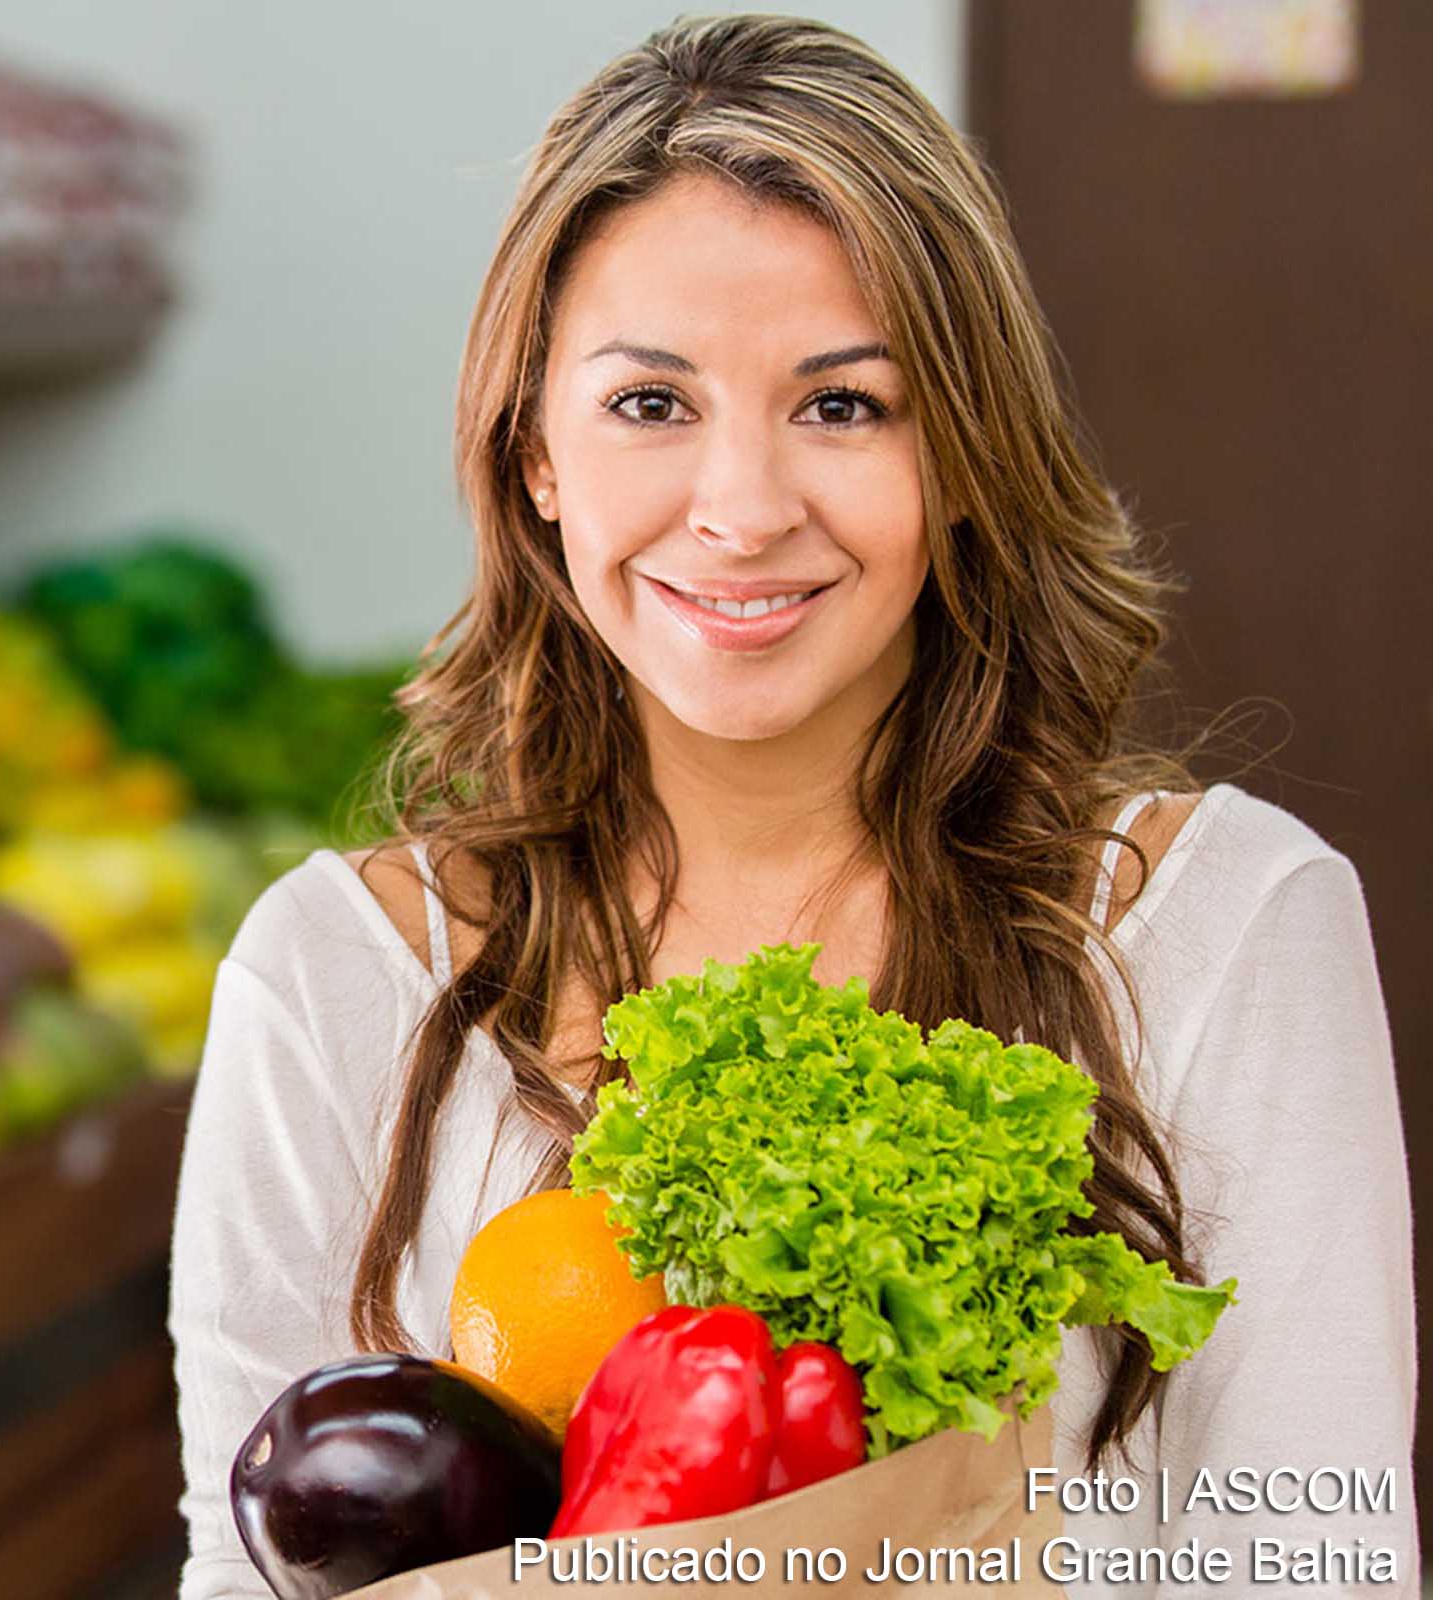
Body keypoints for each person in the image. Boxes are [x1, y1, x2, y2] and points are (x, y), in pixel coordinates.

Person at [168, 14, 1416, 1600]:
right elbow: (251, 1571)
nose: (744, 510)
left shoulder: (1221, 930)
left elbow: (1317, 1564)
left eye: (844, 407)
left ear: (963, 455)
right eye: (650, 404)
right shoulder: (336, 979)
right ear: (534, 451)